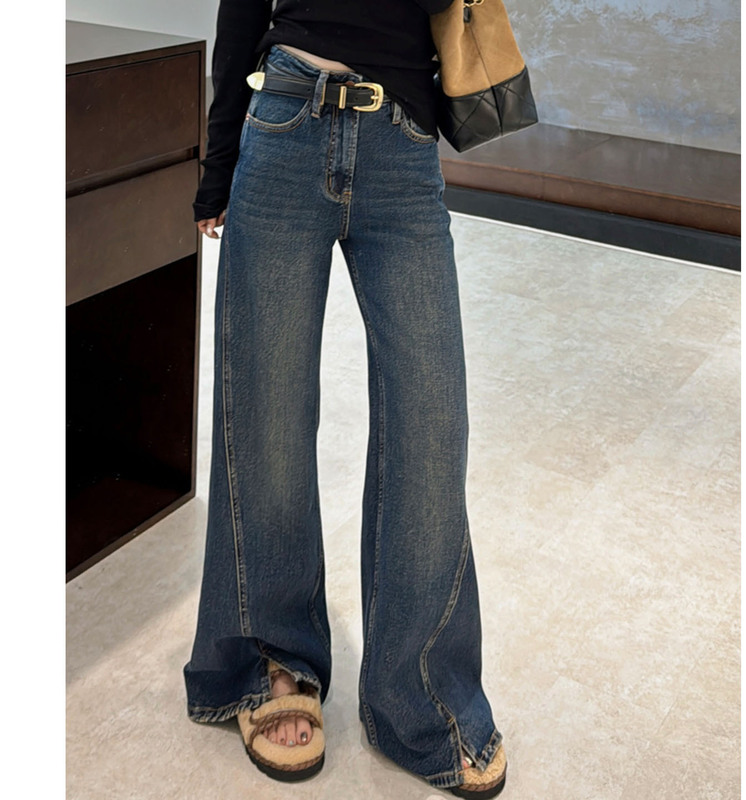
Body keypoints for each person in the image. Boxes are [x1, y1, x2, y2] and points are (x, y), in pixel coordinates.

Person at [185, 2, 507, 797]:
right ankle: (274, 663)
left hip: (402, 143)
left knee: (431, 423)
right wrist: (219, 161)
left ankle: (422, 692)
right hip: (287, 118)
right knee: (265, 417)